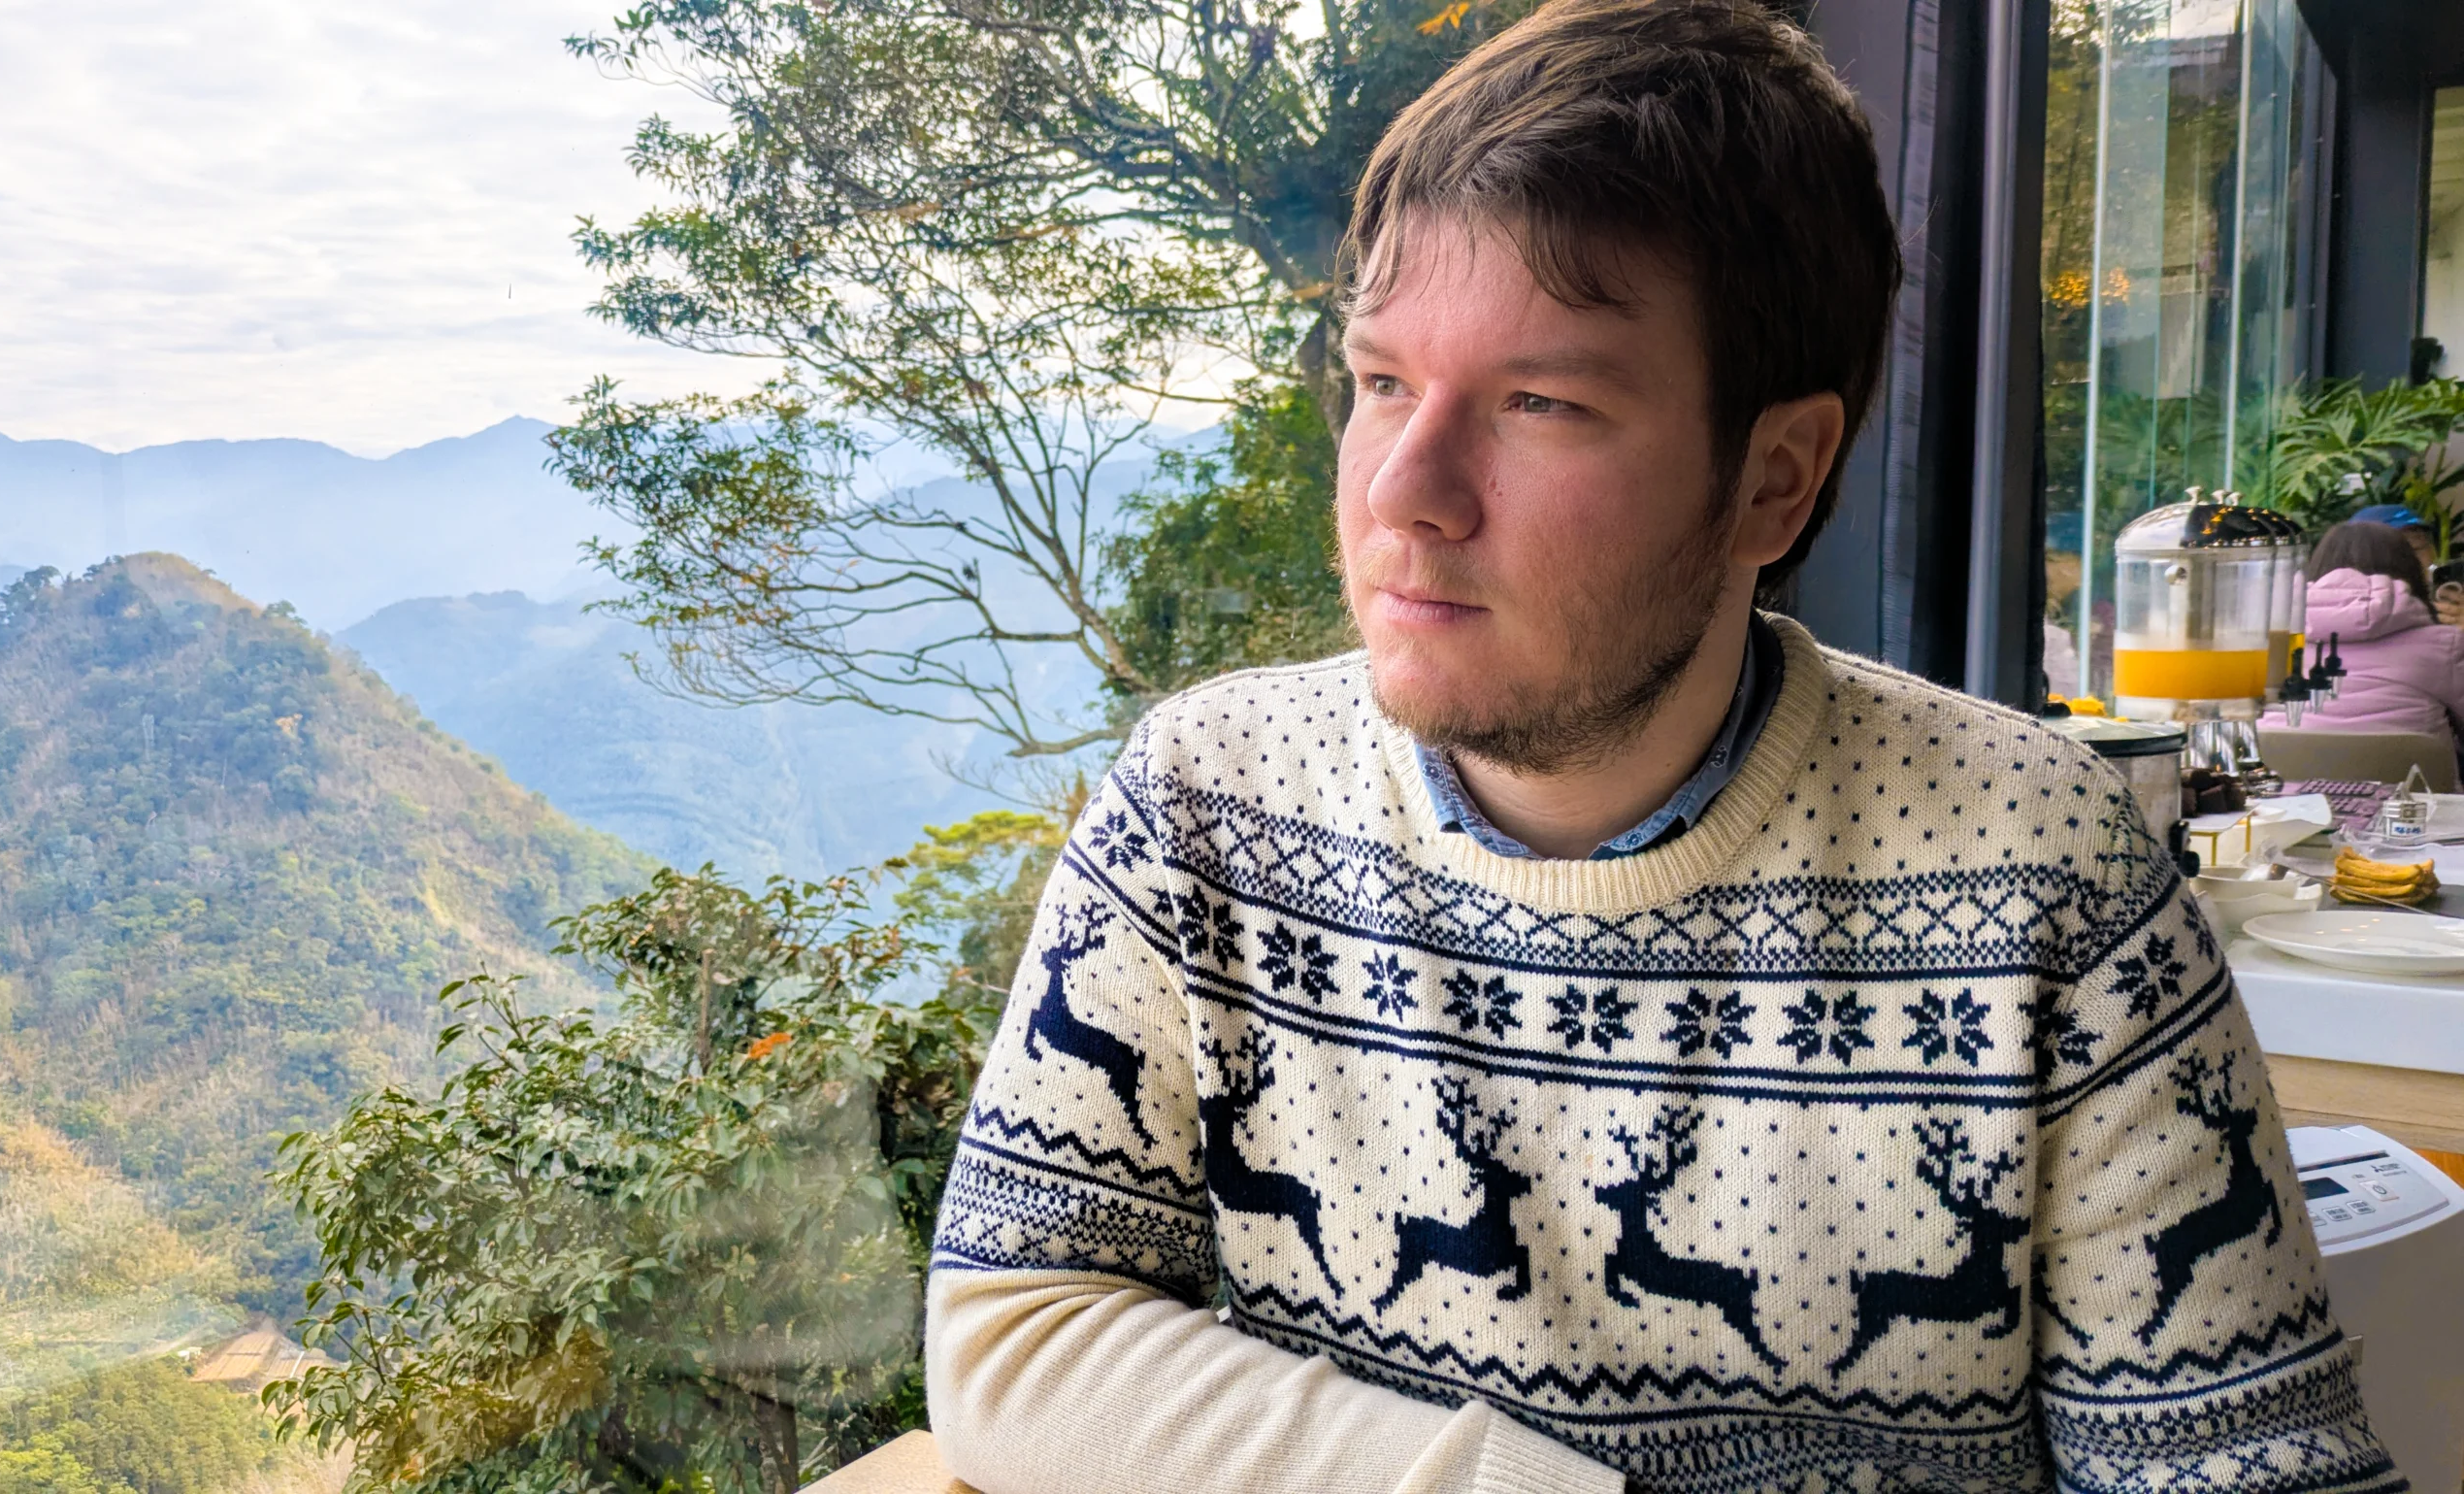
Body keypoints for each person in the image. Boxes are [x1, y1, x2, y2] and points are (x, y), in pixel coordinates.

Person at [925, 5, 2400, 1492]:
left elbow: (2253, 1457)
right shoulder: (1206, 800)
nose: (1405, 492)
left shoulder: (2043, 868)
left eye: (1536, 402)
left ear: (1775, 479)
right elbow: (1016, 1328)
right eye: (1381, 382)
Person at [2270, 519, 2464, 762]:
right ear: (2410, 573)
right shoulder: (2446, 644)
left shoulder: (2273, 640)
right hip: (2410, 795)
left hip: (2286, 795)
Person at [2350, 503, 2464, 626]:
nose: (2409, 560)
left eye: (2416, 547)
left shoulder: (2450, 603)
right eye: (2394, 551)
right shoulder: (2346, 620)